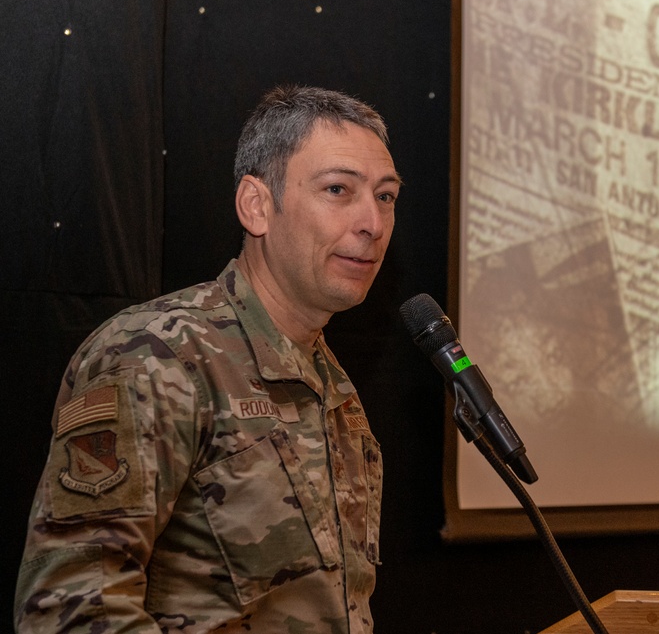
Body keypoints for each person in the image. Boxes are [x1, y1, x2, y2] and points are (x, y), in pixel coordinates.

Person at [14, 85, 402, 632]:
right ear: (257, 206)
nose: (373, 223)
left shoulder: (330, 381)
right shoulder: (157, 356)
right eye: (339, 189)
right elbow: (70, 611)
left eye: (385, 196)